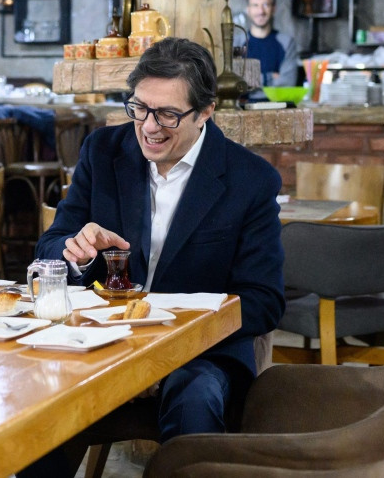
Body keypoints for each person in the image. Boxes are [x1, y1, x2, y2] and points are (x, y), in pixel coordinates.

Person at [27, 37, 285, 472]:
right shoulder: (102, 152)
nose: (149, 126)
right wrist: (77, 252)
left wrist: (171, 340)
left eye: (168, 114)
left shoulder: (251, 179)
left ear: (205, 112)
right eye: (139, 108)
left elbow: (264, 300)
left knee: (196, 396)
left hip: (199, 354)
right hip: (97, 341)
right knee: (39, 390)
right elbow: (49, 249)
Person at [245, 0, 300, 87]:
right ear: (248, 10)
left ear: (274, 9)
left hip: (278, 102)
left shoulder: (286, 42)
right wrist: (269, 77)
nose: (261, 11)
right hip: (243, 102)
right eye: (255, 5)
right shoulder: (236, 43)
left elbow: (287, 83)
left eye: (266, 5)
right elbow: (235, 83)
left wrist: (249, 81)